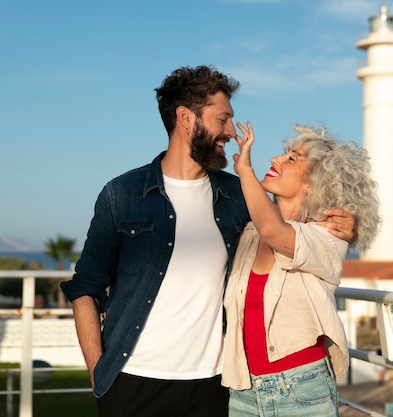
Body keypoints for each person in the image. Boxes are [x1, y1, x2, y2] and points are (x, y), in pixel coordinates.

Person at [60, 65, 356, 417]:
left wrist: (346, 225)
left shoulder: (239, 197)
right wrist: (99, 374)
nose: (231, 131)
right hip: (132, 380)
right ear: (186, 118)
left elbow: (286, 225)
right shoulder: (121, 195)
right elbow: (86, 288)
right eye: (223, 119)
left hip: (215, 387)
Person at [222, 121, 381, 416]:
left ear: (314, 182)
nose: (276, 159)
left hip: (301, 388)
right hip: (242, 390)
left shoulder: (326, 237)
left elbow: (275, 231)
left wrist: (245, 169)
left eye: (292, 158)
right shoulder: (248, 233)